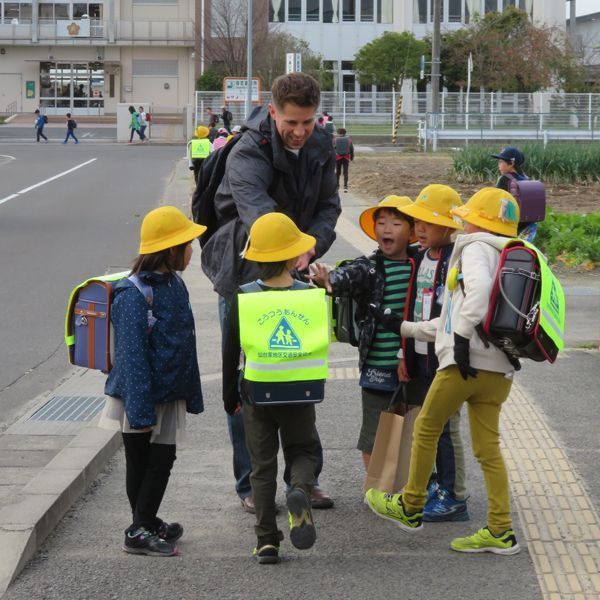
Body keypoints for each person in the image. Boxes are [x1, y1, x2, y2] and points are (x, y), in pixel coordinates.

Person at [198, 72, 341, 512]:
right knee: (247, 378)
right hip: (242, 264)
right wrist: (291, 252)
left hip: (295, 262)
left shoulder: (321, 144)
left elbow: (329, 206)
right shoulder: (247, 151)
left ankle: (305, 477)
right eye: (291, 123)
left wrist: (312, 245)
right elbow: (259, 215)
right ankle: (249, 484)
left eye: (308, 122)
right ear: (273, 111)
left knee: (298, 370)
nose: (299, 133)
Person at [365, 187, 523, 556]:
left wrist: (463, 342)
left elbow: (474, 301)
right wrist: (404, 328)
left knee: (426, 428)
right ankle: (501, 531)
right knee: (488, 449)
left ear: (474, 220)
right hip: (499, 371)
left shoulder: (473, 247)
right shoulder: (509, 254)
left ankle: (410, 505)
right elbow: (452, 318)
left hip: (465, 365)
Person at [100, 206, 206, 557]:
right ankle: (138, 530)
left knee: (159, 459)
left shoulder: (174, 283)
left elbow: (184, 341)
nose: (193, 250)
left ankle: (145, 521)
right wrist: (141, 411)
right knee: (147, 460)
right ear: (170, 249)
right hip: (139, 394)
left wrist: (190, 392)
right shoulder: (133, 295)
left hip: (168, 389)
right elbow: (132, 358)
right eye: (188, 244)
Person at [223, 213, 328, 564]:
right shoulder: (309, 295)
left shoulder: (244, 296)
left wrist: (229, 395)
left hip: (257, 392)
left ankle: (267, 540)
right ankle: (299, 489)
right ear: (289, 257)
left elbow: (229, 350)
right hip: (300, 391)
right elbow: (320, 340)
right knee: (302, 451)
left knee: (261, 466)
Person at [310, 195, 415, 470]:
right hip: (378, 366)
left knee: (411, 428)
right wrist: (328, 279)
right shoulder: (368, 266)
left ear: (413, 232)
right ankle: (375, 487)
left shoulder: (422, 265)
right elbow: (347, 276)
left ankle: (406, 483)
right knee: (375, 431)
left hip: (415, 365)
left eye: (395, 223)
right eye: (381, 223)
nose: (386, 229)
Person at [394, 184, 469, 522]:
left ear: (450, 226)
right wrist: (403, 353)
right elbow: (412, 303)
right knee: (432, 426)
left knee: (445, 426)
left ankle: (455, 496)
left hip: (446, 357)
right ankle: (440, 486)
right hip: (421, 355)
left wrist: (406, 330)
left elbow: (451, 317)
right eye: (417, 221)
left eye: (429, 222)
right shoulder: (420, 256)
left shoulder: (458, 260)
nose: (419, 228)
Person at [333, 128, 354, 192]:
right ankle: (345, 187)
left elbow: (332, 149)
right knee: (345, 172)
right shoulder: (349, 140)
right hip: (346, 157)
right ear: (345, 133)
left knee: (337, 173)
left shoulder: (334, 140)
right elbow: (351, 149)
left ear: (338, 133)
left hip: (337, 157)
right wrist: (351, 157)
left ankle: (337, 186)